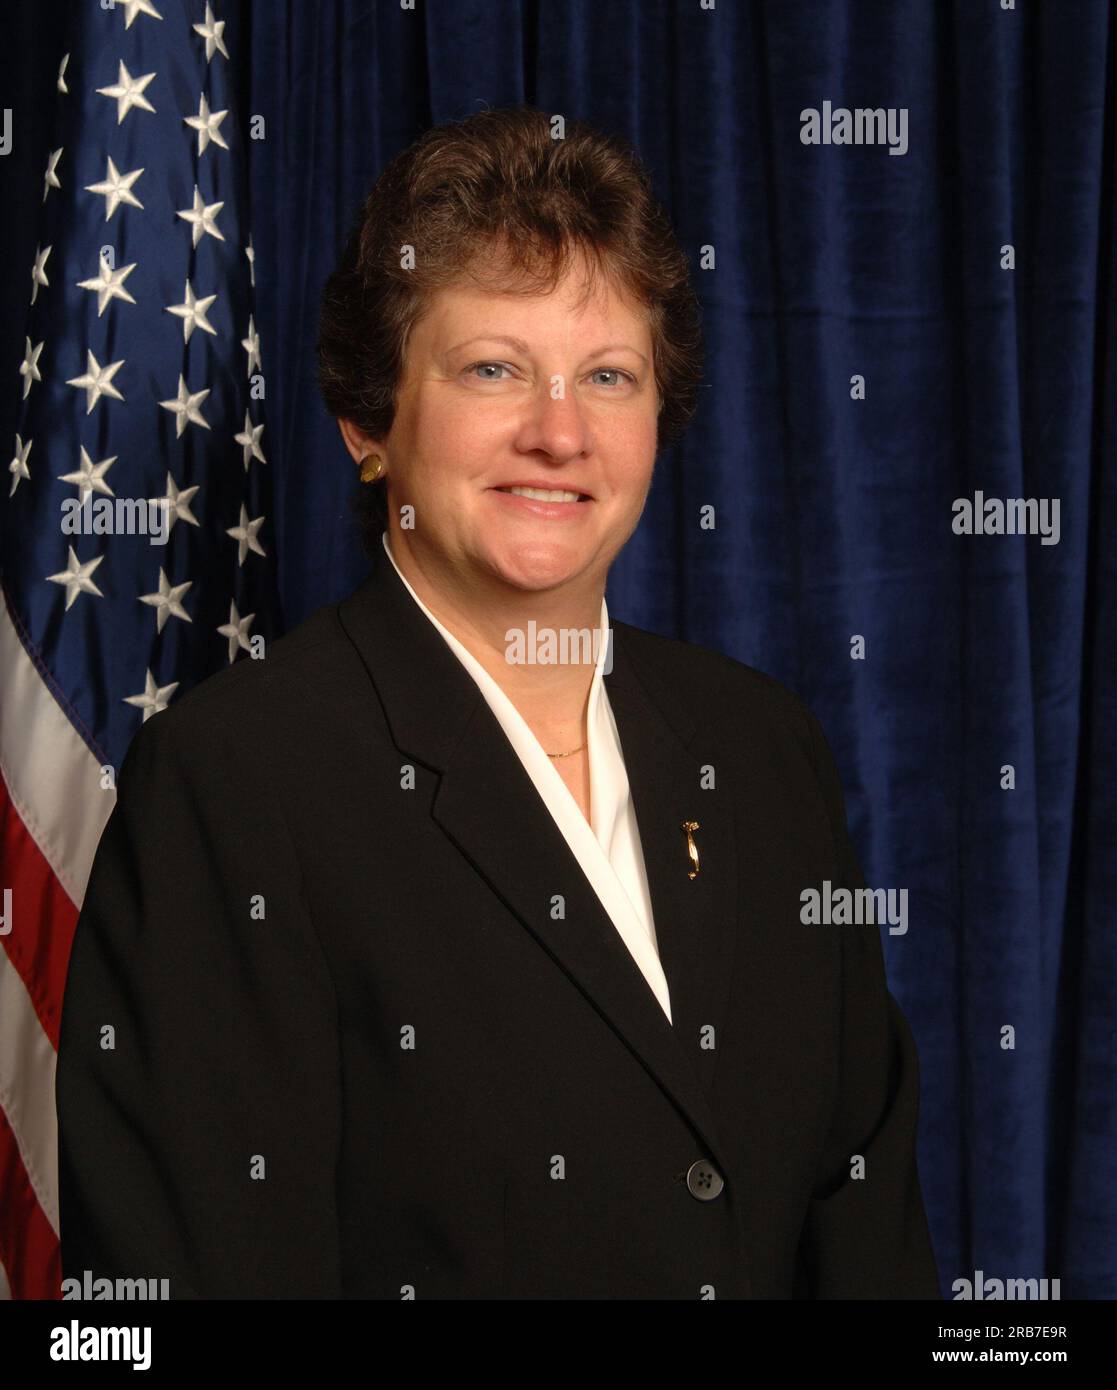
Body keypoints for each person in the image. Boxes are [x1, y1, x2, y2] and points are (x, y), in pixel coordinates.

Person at [56, 104, 940, 1299]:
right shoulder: (235, 781)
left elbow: (866, 1228)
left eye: (608, 376)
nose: (559, 431)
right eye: (492, 369)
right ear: (369, 421)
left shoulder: (761, 744)